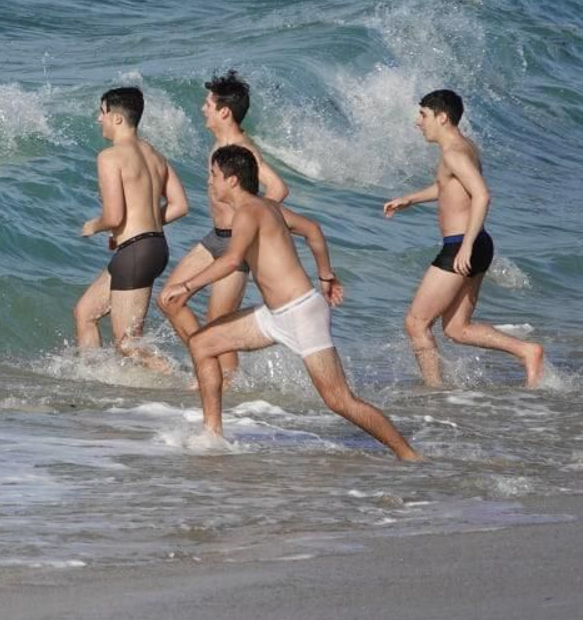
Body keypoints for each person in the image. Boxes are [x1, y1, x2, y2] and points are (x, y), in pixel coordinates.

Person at [159, 146, 421, 460]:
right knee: (202, 344)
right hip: (274, 315)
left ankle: (409, 455)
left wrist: (187, 285)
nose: (210, 182)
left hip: (301, 314)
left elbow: (231, 260)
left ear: (232, 180)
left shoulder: (249, 211)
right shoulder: (266, 206)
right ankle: (212, 435)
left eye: (214, 175)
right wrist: (325, 275)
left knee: (339, 401)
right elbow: (312, 229)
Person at [384, 89, 543, 387]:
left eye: (423, 115)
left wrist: (465, 247)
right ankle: (526, 351)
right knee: (457, 328)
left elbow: (482, 194)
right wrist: (410, 199)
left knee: (416, 323)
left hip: (462, 245)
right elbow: (449, 188)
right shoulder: (464, 147)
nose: (419, 123)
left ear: (442, 117)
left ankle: (435, 392)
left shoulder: (454, 153)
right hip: (476, 243)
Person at [159, 71, 288, 382]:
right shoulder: (221, 144)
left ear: (223, 111)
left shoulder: (241, 148)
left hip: (236, 245)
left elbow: (278, 189)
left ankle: (224, 381)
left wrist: (254, 224)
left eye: (208, 104)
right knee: (169, 299)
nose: (203, 109)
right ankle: (209, 366)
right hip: (214, 238)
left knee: (218, 320)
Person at [74, 86, 188, 370]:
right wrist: (141, 227)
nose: (99, 119)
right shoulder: (154, 154)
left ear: (117, 118)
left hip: (137, 251)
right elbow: (180, 205)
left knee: (128, 345)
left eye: (102, 113)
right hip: (151, 247)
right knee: (84, 312)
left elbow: (113, 216)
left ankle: (177, 379)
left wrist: (93, 226)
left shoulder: (109, 157)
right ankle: (93, 378)